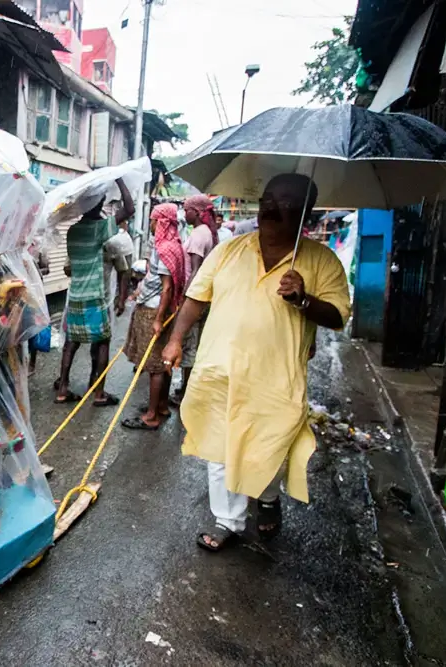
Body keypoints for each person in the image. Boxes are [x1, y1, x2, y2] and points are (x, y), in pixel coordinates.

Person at [159, 173, 350, 551]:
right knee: (220, 445)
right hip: (220, 369)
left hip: (276, 377)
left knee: (267, 445)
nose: (271, 208)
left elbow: (338, 316)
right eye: (266, 198)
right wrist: (175, 339)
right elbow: (197, 298)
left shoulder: (321, 261)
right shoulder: (229, 250)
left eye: (285, 202)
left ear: (305, 214)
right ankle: (226, 520)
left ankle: (267, 498)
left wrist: (303, 299)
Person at [56, 179, 135, 406]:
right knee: (102, 341)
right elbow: (129, 209)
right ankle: (99, 393)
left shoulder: (73, 231)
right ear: (99, 203)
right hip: (95, 297)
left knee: (71, 343)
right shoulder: (99, 230)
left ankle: (63, 389)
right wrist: (120, 178)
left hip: (75, 296)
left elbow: (70, 268)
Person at [120, 203, 187, 430]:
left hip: (154, 309)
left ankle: (151, 415)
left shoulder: (164, 248)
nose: (151, 224)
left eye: (153, 219)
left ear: (162, 222)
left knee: (155, 364)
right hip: (163, 307)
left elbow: (167, 287)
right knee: (162, 361)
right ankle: (160, 406)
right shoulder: (175, 245)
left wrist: (158, 319)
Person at [171, 194, 217, 407]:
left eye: (187, 209)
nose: (184, 213)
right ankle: (185, 389)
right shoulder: (205, 232)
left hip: (195, 296)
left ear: (197, 213)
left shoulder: (199, 234)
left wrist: (185, 299)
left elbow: (195, 269)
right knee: (193, 343)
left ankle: (185, 392)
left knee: (187, 345)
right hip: (201, 296)